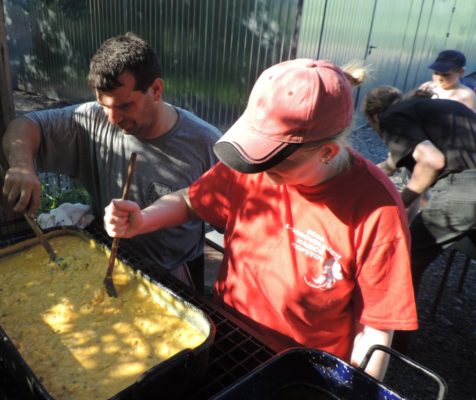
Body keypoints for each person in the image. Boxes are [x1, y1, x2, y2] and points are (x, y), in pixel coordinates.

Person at [104, 58, 418, 379]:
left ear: (327, 152)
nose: (259, 171)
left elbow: (375, 330)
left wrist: (354, 389)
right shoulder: (252, 165)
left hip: (300, 369)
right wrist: (143, 219)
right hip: (224, 331)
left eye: (276, 160)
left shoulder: (377, 210)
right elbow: (191, 201)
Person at [1, 33, 221, 288]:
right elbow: (25, 125)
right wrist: (21, 165)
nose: (113, 119)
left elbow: (230, 219)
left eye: (125, 106)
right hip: (106, 261)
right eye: (104, 105)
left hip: (174, 273)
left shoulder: (205, 143)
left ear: (157, 89)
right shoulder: (94, 119)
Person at [363, 86, 476, 297]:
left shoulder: (391, 117)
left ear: (374, 116)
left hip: (466, 190)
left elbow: (431, 160)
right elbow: (391, 163)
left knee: (405, 258)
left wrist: (399, 202)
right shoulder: (430, 109)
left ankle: (393, 326)